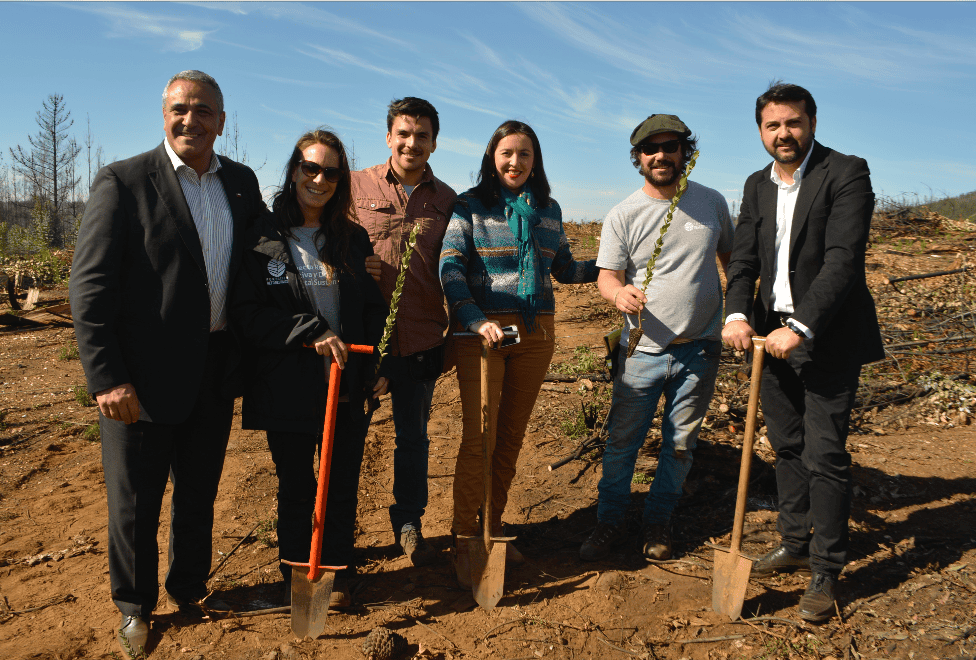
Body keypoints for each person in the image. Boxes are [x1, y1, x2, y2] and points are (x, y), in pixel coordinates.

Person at [69, 70, 265, 658]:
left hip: (214, 369)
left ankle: (189, 587)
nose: (191, 120)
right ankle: (134, 605)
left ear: (222, 122)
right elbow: (90, 287)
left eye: (204, 111)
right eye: (180, 109)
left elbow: (262, 258)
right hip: (140, 381)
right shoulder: (124, 181)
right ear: (163, 116)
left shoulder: (240, 182)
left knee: (199, 493)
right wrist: (106, 377)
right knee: (134, 501)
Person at [722, 82, 883, 622]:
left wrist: (803, 324)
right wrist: (737, 314)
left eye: (792, 122)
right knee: (786, 445)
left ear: (811, 122)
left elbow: (843, 261)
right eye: (772, 125)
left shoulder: (846, 172)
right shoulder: (756, 185)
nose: (783, 134)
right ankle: (794, 542)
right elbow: (743, 260)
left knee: (825, 453)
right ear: (761, 131)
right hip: (771, 341)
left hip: (826, 337)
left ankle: (826, 567)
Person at [229, 129, 388, 608]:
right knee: (297, 486)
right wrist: (308, 330)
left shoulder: (351, 237)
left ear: (341, 179)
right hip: (289, 387)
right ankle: (298, 573)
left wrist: (378, 360)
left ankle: (334, 573)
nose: (319, 179)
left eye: (331, 172)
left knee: (340, 484)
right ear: (293, 170)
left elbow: (371, 312)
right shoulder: (262, 236)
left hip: (346, 386)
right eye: (309, 168)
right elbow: (246, 313)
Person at [440, 120, 598, 586]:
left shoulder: (548, 210)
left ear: (536, 160)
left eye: (524, 154)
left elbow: (565, 269)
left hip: (534, 334)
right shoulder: (469, 206)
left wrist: (613, 264)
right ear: (492, 157)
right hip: (483, 334)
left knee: (509, 438)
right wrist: (473, 318)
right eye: (507, 153)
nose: (515, 162)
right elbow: (450, 267)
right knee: (479, 438)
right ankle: (464, 535)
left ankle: (494, 523)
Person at [579, 115, 734, 563]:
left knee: (681, 443)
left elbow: (733, 261)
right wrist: (618, 293)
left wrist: (739, 313)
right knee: (622, 442)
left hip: (700, 350)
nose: (661, 156)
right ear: (638, 158)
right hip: (641, 353)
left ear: (686, 152)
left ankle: (658, 521)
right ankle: (609, 521)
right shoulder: (623, 214)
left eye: (670, 147)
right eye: (651, 149)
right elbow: (607, 277)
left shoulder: (711, 203)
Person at [350, 97, 457, 566]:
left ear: (434, 142)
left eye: (422, 135)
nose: (412, 143)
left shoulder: (448, 201)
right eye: (404, 133)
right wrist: (353, 266)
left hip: (420, 337)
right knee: (347, 436)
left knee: (412, 437)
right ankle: (338, 531)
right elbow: (322, 243)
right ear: (389, 136)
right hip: (363, 340)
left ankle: (409, 522)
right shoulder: (353, 187)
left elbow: (458, 264)